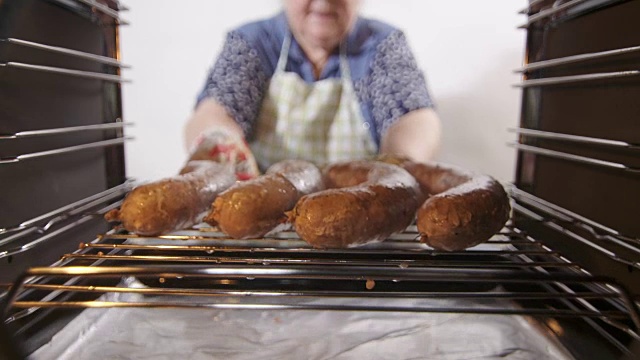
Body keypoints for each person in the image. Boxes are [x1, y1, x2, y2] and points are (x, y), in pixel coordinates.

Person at [184, 0, 441, 178]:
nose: (323, 1)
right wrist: (220, 145)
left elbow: (414, 117)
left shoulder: (381, 45)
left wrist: (399, 166)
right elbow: (215, 112)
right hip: (265, 222)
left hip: (359, 219)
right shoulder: (254, 41)